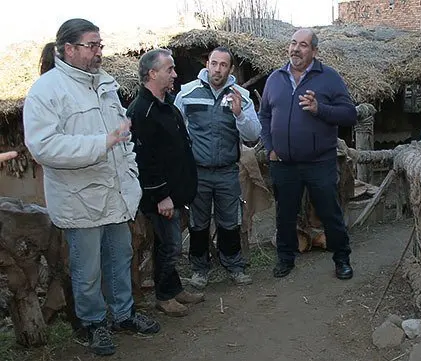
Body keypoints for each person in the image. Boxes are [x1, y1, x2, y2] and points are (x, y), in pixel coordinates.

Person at [23, 18, 159, 356]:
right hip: (79, 199)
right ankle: (93, 324)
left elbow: (120, 136)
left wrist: (128, 170)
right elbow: (44, 147)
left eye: (100, 44)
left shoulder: (105, 84)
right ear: (69, 49)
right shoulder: (46, 90)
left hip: (114, 193)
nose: (100, 51)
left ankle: (123, 315)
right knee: (87, 269)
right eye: (92, 45)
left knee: (120, 257)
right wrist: (102, 142)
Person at [259, 28, 358, 280]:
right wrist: (270, 148)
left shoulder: (329, 78)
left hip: (319, 162)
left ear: (314, 51)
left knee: (329, 212)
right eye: (293, 43)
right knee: (284, 214)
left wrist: (319, 109)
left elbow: (349, 114)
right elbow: (265, 115)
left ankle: (342, 258)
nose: (296, 49)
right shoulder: (275, 78)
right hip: (284, 163)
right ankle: (285, 258)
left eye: (303, 45)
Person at [174, 47, 261, 288]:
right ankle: (200, 269)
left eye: (223, 65)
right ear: (207, 64)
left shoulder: (240, 96)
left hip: (227, 171)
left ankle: (233, 265)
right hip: (198, 171)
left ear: (230, 69)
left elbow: (253, 135)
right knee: (198, 222)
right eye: (214, 63)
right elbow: (177, 129)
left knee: (229, 221)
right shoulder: (187, 93)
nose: (218, 69)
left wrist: (239, 113)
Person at [126, 48, 204, 317]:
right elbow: (144, 159)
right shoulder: (142, 111)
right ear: (152, 73)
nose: (175, 74)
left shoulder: (165, 104)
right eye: (169, 69)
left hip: (175, 192)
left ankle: (173, 287)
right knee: (170, 245)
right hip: (161, 197)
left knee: (168, 244)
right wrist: (161, 197)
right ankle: (164, 295)